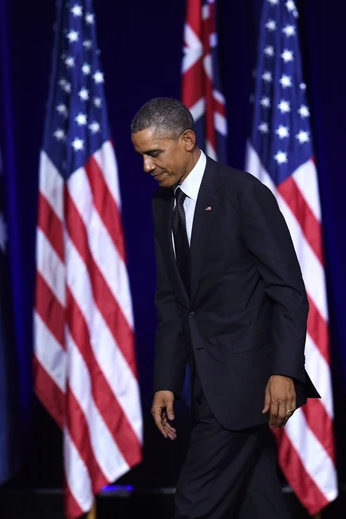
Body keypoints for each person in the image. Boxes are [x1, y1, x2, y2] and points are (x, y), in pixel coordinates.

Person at [131, 97, 319, 519]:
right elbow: (173, 302)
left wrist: (285, 371)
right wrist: (166, 381)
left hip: (248, 381)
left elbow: (287, 291)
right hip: (206, 383)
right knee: (259, 503)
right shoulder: (162, 205)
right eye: (141, 156)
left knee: (196, 505)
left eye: (154, 153)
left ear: (187, 140)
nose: (146, 166)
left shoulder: (242, 193)